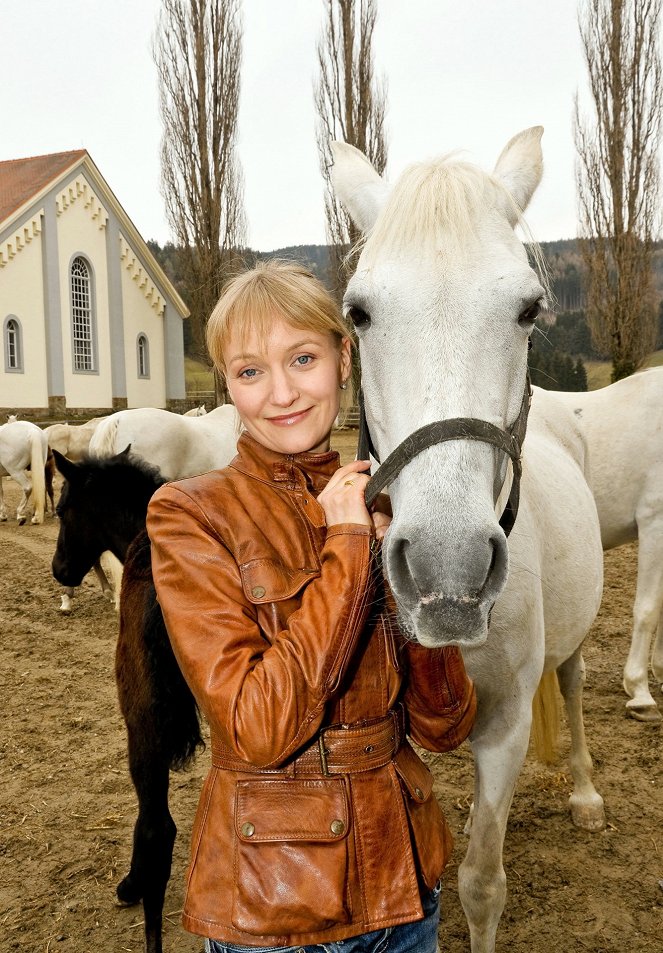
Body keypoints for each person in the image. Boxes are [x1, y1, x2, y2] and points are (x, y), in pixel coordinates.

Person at [146, 260, 477, 953]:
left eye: (302, 358)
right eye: (249, 371)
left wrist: (409, 586)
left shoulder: (387, 505)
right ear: (227, 384)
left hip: (406, 880)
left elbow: (444, 726)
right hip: (278, 904)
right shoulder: (190, 514)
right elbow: (257, 726)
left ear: (343, 358)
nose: (282, 393)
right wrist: (348, 550)